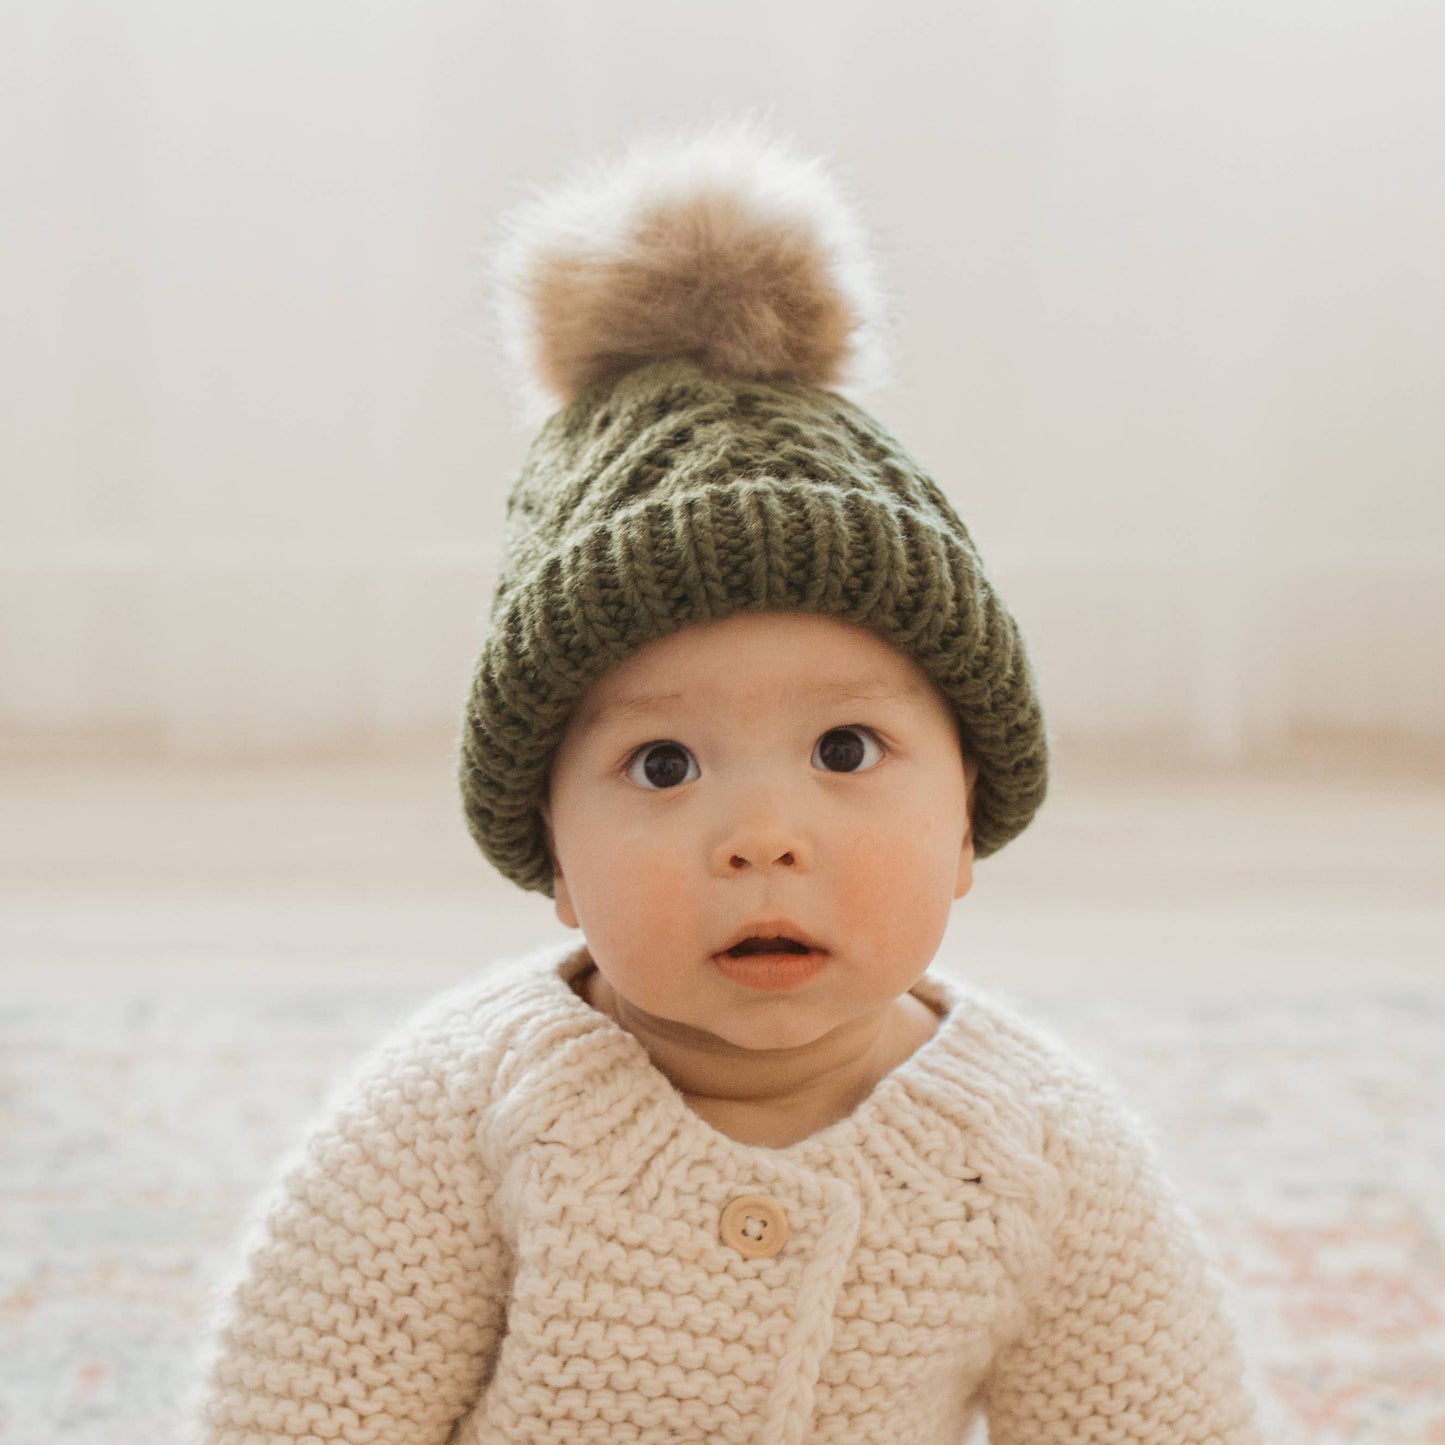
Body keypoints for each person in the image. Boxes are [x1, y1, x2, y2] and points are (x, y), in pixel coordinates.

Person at [189, 115, 1261, 1445]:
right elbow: (298, 1412)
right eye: (661, 763)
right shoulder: (456, 1116)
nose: (760, 835)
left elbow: (1158, 1421)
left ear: (970, 815)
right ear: (554, 857)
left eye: (844, 751)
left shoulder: (1035, 1150)